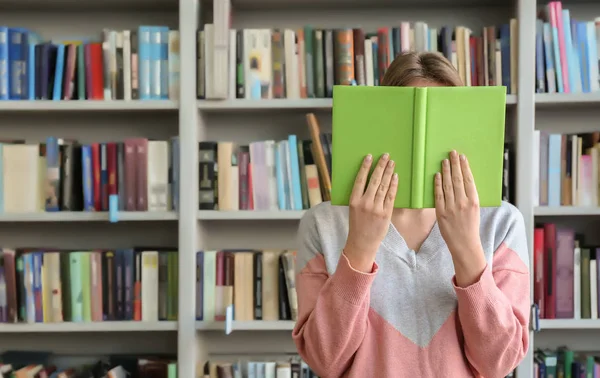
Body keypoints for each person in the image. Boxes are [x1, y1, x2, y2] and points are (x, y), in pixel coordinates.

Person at [292, 51, 530, 378]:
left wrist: (468, 251)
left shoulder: (502, 223)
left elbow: (499, 362)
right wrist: (360, 247)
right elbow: (324, 361)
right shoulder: (322, 224)